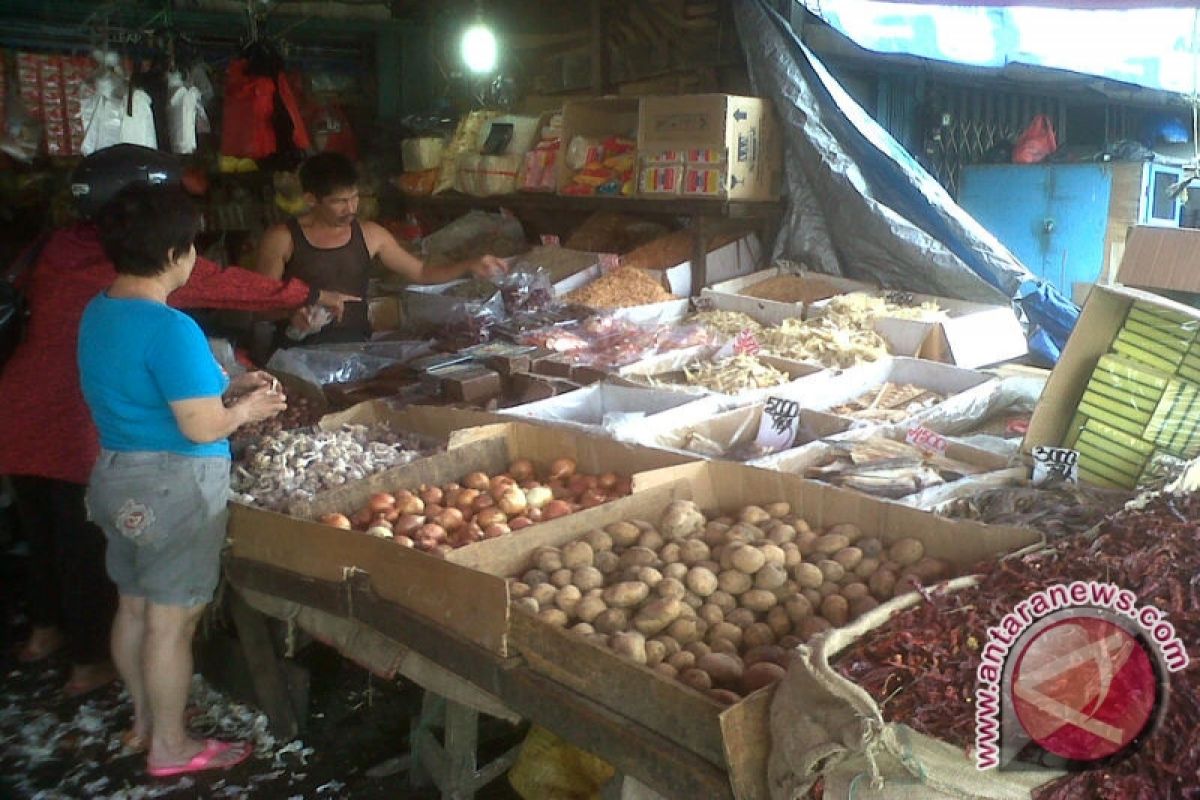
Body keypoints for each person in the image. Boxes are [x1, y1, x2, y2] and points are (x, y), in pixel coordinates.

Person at [0, 143, 354, 697]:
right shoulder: (153, 287)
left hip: (20, 410)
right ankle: (91, 665)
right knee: (85, 552)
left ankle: (45, 632)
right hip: (74, 425)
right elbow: (226, 288)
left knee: (43, 529)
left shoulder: (66, 252)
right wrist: (305, 295)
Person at [79, 183, 282, 777]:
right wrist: (246, 411)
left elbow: (151, 395)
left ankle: (143, 723)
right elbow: (200, 426)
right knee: (173, 620)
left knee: (135, 607)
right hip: (172, 487)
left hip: (116, 476)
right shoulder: (170, 328)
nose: (196, 255)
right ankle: (171, 746)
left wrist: (228, 393)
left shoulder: (100, 310)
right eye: (192, 243)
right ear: (173, 252)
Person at [254, 152, 508, 343]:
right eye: (339, 202)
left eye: (354, 198)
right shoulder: (282, 238)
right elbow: (260, 302)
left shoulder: (371, 234)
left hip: (355, 345)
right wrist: (292, 315)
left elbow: (421, 273)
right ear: (311, 199)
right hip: (295, 351)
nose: (351, 208)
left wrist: (470, 265)